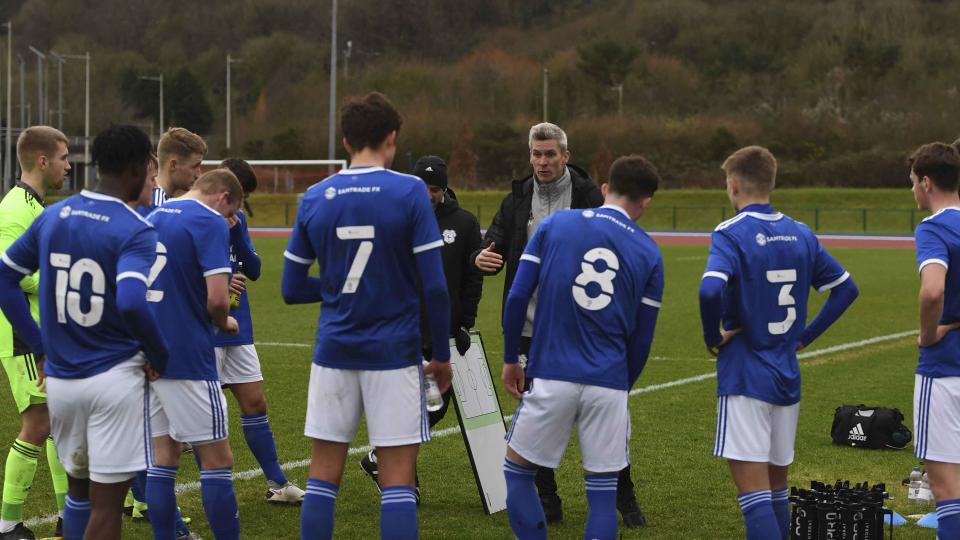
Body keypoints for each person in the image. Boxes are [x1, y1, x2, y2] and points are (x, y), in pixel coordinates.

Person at [282, 91, 451, 540]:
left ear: (345, 139)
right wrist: (443, 356)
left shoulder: (315, 196)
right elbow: (434, 285)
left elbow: (291, 288)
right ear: (391, 138)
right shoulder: (411, 190)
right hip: (394, 353)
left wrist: (336, 287)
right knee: (397, 478)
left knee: (322, 476)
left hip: (334, 350)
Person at [0, 124, 169, 540]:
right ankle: (10, 522)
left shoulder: (56, 214)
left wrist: (41, 345)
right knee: (106, 505)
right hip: (112, 377)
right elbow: (131, 301)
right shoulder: (134, 228)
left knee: (77, 498)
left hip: (62, 376)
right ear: (135, 168)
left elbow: (4, 275)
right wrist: (159, 354)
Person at [473, 122, 645, 527]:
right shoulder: (517, 198)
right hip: (533, 328)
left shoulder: (589, 196)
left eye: (551, 154)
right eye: (537, 154)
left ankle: (626, 497)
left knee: (606, 418)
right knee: (535, 419)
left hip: (584, 327)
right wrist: (480, 257)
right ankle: (547, 501)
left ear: (566, 156)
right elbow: (492, 241)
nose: (543, 161)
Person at [698, 146, 859, 539]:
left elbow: (708, 291)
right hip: (786, 374)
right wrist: (804, 337)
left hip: (745, 375)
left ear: (733, 185)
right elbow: (845, 289)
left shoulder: (730, 233)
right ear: (771, 182)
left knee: (754, 498)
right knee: (775, 492)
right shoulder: (802, 233)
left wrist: (712, 336)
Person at [501, 155, 664, 540]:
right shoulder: (649, 252)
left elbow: (517, 296)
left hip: (552, 375)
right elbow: (641, 340)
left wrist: (511, 358)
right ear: (646, 202)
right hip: (608, 381)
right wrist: (624, 385)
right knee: (603, 498)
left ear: (606, 189)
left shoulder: (556, 224)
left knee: (517, 472)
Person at [359, 155, 482, 503]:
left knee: (435, 403)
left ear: (444, 189)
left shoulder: (464, 222)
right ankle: (399, 476)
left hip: (441, 328)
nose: (428, 195)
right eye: (422, 187)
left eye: (434, 188)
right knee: (404, 403)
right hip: (401, 328)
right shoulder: (396, 218)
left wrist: (465, 322)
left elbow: (472, 279)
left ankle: (382, 460)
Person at [144, 169, 244, 540]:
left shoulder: (153, 214)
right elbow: (217, 298)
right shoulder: (209, 221)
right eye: (231, 211)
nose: (229, 220)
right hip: (187, 353)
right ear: (222, 197)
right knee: (218, 461)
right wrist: (226, 321)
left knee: (163, 458)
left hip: (149, 355)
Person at [215, 158, 305, 504]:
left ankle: (277, 483)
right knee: (189, 421)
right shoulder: (194, 217)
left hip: (238, 328)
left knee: (255, 402)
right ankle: (143, 493)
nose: (242, 204)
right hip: (203, 328)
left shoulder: (239, 220)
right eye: (240, 195)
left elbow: (254, 269)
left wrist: (237, 230)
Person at [0, 127, 71, 540]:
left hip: (40, 332)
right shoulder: (14, 209)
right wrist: (63, 273)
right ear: (42, 161)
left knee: (56, 423)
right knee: (38, 424)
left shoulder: (34, 205)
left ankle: (68, 514)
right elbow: (12, 274)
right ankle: (8, 523)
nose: (67, 166)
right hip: (23, 336)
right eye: (63, 157)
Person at [908, 142, 960, 539]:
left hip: (943, 372)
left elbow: (931, 291)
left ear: (926, 182)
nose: (912, 190)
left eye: (912, 182)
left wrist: (930, 333)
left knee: (945, 490)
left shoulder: (933, 228)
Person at [137, 127, 206, 216]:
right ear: (173, 165)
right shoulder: (156, 207)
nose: (198, 175)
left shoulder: (161, 202)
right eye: (195, 166)